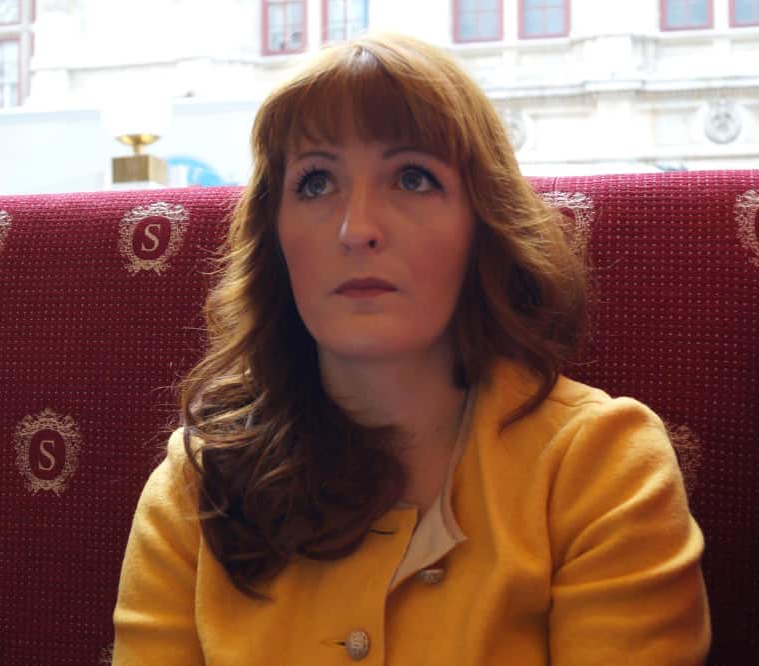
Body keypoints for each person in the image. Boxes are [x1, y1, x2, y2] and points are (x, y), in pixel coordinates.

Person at [111, 33, 710, 664]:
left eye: (413, 178)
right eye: (316, 182)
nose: (357, 229)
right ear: (275, 238)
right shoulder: (196, 484)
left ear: (482, 225)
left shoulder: (599, 465)